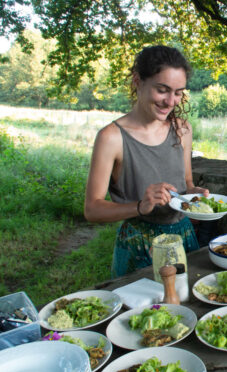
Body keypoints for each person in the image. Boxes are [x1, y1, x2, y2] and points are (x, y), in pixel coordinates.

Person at [84, 45, 208, 277]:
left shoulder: (182, 129)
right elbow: (92, 209)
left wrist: (195, 194)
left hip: (184, 237)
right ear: (138, 81)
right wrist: (140, 206)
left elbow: (186, 183)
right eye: (162, 90)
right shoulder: (111, 137)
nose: (171, 101)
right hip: (138, 245)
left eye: (178, 92)